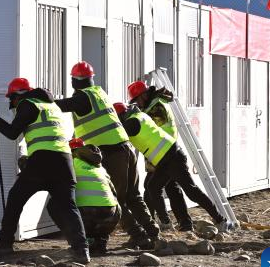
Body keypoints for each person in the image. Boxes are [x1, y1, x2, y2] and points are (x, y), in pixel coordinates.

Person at [54, 62, 160, 249]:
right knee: (133, 196)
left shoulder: (82, 97)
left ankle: (139, 235)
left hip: (111, 153)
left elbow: (62, 106)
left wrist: (43, 99)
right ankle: (154, 233)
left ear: (74, 80)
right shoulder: (98, 94)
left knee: (114, 198)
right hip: (125, 148)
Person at [0, 78, 90, 263]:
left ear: (18, 95)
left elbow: (12, 133)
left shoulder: (28, 104)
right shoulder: (51, 107)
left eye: (12, 99)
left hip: (43, 160)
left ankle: (4, 246)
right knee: (69, 207)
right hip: (65, 161)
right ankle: (81, 250)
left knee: (15, 199)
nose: (12, 104)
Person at [113, 100, 227, 230]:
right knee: (153, 187)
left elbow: (118, 134)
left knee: (191, 191)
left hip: (172, 157)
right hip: (165, 159)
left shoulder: (132, 123)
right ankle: (166, 223)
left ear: (121, 116)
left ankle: (220, 219)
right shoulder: (139, 115)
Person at [127, 81, 191, 231]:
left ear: (144, 95)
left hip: (165, 154)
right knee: (171, 188)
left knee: (151, 188)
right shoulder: (154, 104)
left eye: (137, 99)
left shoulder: (155, 107)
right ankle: (183, 222)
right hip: (163, 154)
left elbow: (148, 128)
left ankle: (156, 222)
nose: (137, 103)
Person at [70, 137, 121, 256]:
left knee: (60, 205)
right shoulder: (99, 167)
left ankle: (83, 243)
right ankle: (100, 242)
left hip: (87, 214)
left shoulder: (71, 163)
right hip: (111, 214)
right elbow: (114, 192)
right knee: (113, 203)